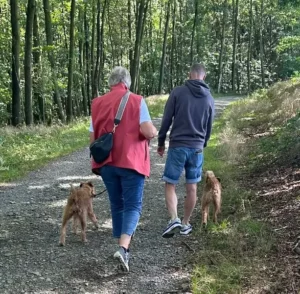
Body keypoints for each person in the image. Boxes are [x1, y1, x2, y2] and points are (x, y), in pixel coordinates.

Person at [89, 66, 157, 272]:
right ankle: (124, 248)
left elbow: (92, 139)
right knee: (133, 206)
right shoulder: (136, 100)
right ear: (126, 82)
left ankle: (121, 245)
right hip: (131, 162)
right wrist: (154, 132)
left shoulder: (97, 103)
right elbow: (147, 131)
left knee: (117, 204)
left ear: (110, 84)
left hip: (107, 163)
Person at [157, 63, 215, 238]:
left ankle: (174, 218)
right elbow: (209, 127)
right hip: (196, 148)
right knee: (192, 187)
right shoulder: (209, 98)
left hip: (178, 146)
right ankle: (185, 223)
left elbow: (167, 118)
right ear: (203, 76)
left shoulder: (178, 92)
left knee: (170, 183)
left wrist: (161, 142)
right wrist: (202, 144)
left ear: (190, 74)